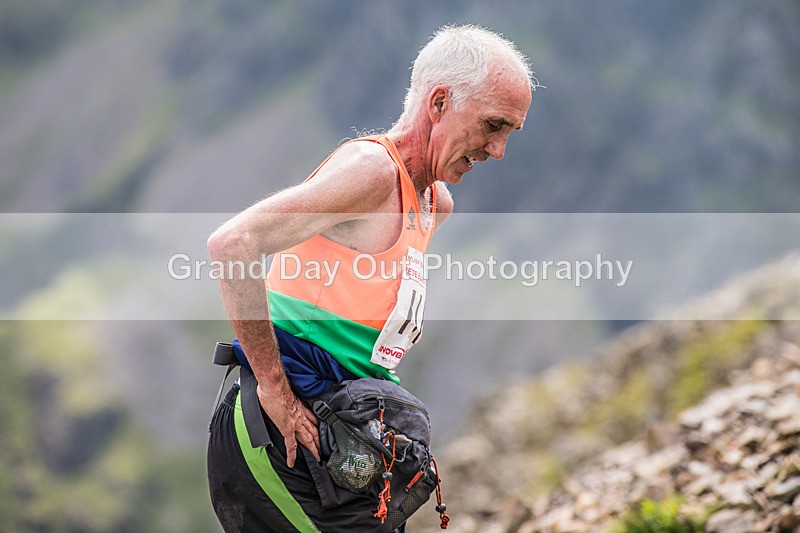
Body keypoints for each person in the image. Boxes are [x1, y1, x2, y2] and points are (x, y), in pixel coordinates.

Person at [206, 24, 534, 532]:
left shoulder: (434, 203)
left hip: (344, 432)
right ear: (440, 102)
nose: (499, 150)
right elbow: (234, 244)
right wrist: (274, 387)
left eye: (510, 132)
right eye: (493, 125)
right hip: (281, 428)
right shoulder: (373, 172)